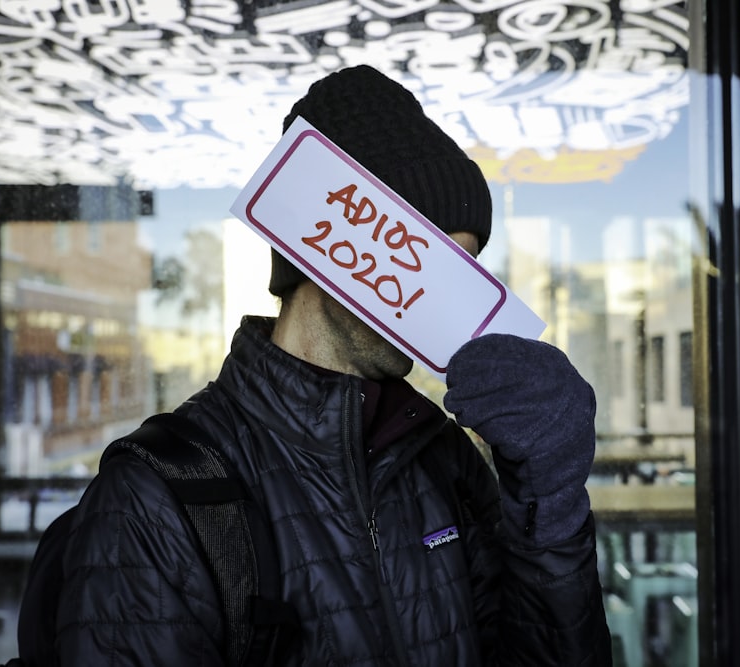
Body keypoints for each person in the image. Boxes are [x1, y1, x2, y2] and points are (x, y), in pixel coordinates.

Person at [45, 65, 611, 665]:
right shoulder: (157, 499)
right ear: (326, 250)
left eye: (464, 269)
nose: (443, 302)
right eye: (428, 261)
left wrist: (549, 507)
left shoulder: (447, 463)